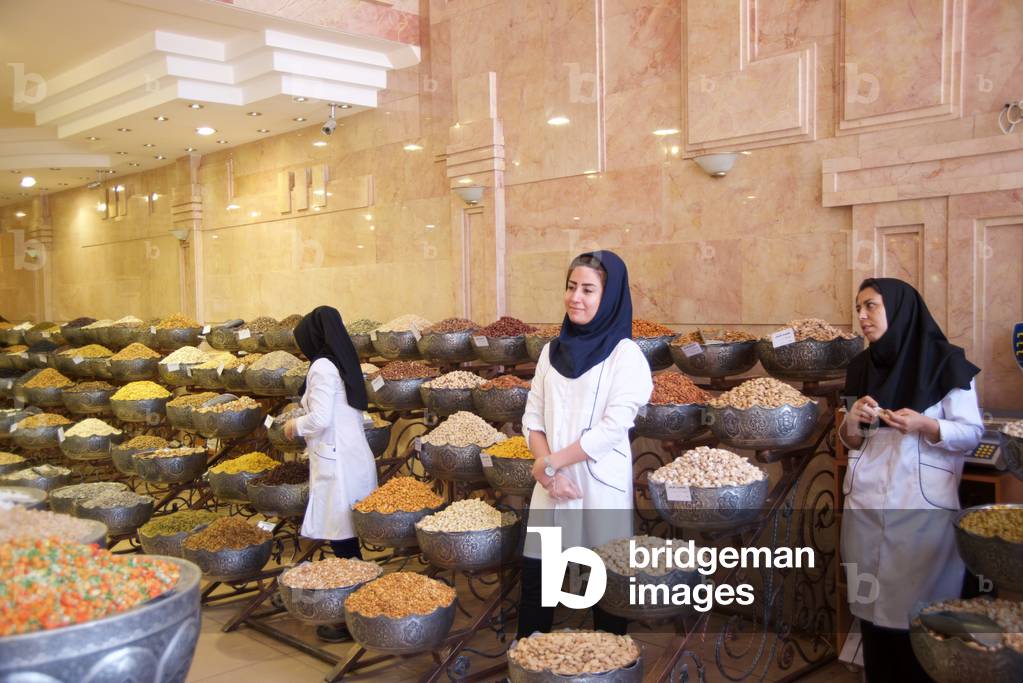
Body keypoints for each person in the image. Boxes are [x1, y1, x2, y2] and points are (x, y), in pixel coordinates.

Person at [839, 278, 982, 683]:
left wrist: (924, 423)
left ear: (900, 309)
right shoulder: (860, 368)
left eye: (871, 307)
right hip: (865, 506)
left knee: (921, 613)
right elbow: (850, 438)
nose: (863, 317)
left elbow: (971, 433)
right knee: (871, 610)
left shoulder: (946, 362)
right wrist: (852, 422)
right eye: (859, 309)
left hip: (921, 512)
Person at [516, 251, 653, 639]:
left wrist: (551, 464)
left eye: (588, 290)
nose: (576, 297)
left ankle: (610, 670)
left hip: (597, 488)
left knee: (606, 590)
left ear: (608, 298)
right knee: (537, 585)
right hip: (552, 488)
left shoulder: (626, 357)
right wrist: (547, 471)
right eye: (571, 287)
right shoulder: (551, 351)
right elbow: (533, 418)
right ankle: (527, 668)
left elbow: (613, 427)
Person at [284, 306, 378, 642]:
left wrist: (294, 426)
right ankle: (360, 605)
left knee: (343, 541)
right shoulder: (342, 359)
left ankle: (353, 611)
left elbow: (321, 418)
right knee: (347, 538)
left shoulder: (322, 367)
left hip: (337, 462)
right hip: (350, 456)